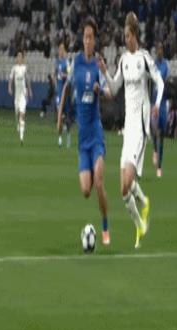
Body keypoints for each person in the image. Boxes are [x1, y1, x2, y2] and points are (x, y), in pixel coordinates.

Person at [99, 12, 164, 249]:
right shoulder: (124, 60)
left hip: (140, 128)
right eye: (124, 36)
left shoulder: (144, 58)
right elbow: (115, 87)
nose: (125, 39)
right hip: (128, 128)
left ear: (135, 34)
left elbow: (160, 82)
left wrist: (157, 104)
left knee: (127, 181)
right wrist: (105, 72)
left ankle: (143, 206)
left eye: (128, 35)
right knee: (122, 189)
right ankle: (141, 220)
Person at [57, 17, 111, 246]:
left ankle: (105, 227)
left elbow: (110, 92)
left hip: (96, 134)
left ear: (95, 39)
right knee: (86, 190)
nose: (88, 41)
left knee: (99, 181)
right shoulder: (76, 62)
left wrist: (101, 89)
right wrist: (59, 117)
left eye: (91, 37)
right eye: (85, 37)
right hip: (83, 138)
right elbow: (66, 88)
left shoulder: (98, 64)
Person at [151, 41, 169, 178]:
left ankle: (159, 167)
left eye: (161, 49)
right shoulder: (152, 65)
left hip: (162, 103)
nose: (159, 52)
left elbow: (164, 80)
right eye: (158, 49)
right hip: (153, 102)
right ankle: (154, 149)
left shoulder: (165, 65)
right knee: (154, 129)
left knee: (161, 134)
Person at [8, 51, 32, 145]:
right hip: (17, 95)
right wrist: (9, 87)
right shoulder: (14, 68)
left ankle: (21, 137)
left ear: (22, 58)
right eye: (18, 56)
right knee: (17, 113)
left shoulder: (25, 68)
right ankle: (18, 123)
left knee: (22, 114)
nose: (19, 58)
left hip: (23, 94)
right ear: (16, 58)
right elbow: (11, 79)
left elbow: (28, 80)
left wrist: (29, 91)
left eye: (20, 57)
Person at [55, 42, 71, 148]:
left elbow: (69, 75)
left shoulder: (67, 62)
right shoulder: (57, 62)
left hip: (66, 92)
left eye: (62, 49)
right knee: (59, 115)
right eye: (59, 49)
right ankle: (60, 138)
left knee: (67, 116)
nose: (60, 51)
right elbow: (55, 74)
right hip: (59, 92)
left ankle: (68, 134)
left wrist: (64, 75)